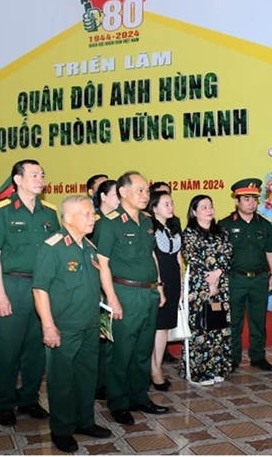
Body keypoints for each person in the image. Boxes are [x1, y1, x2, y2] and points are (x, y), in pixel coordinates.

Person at [0, 160, 60, 426]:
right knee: (7, 349)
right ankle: (4, 401)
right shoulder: (1, 211)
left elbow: (55, 254)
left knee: (36, 348)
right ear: (17, 179)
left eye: (42, 174)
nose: (40, 179)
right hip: (12, 285)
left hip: (42, 287)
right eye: (34, 175)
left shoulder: (49, 212)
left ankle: (29, 399)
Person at [32, 196, 112, 452]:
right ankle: (62, 428)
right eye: (86, 214)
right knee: (62, 380)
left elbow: (93, 289)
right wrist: (48, 326)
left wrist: (100, 323)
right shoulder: (52, 247)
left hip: (89, 324)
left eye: (92, 214)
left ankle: (84, 421)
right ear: (68, 219)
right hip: (64, 326)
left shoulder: (88, 247)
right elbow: (40, 290)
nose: (92, 218)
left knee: (87, 377)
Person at [92, 171, 169, 426]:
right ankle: (118, 402)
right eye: (139, 190)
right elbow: (102, 264)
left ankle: (139, 396)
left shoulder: (147, 221)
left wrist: (158, 286)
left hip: (148, 292)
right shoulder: (109, 223)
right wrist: (111, 299)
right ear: (123, 192)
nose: (145, 195)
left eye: (147, 190)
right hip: (123, 293)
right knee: (121, 351)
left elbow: (151, 256)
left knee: (142, 349)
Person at [218, 178, 272, 372]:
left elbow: (271, 251)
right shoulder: (224, 224)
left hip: (260, 279)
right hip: (235, 279)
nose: (251, 203)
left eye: (254, 199)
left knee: (258, 320)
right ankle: (233, 358)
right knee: (233, 321)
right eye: (246, 199)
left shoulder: (265, 225)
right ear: (237, 201)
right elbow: (219, 254)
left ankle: (258, 357)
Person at [180, 195, 233, 386]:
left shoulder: (222, 232)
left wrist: (218, 273)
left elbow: (228, 254)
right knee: (201, 326)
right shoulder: (189, 234)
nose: (209, 210)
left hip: (221, 285)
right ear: (194, 212)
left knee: (219, 326)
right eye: (203, 207)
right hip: (199, 286)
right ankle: (198, 373)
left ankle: (218, 369)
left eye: (211, 206)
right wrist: (210, 281)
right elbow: (193, 258)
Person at [146, 191, 182, 391]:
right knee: (156, 324)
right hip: (157, 279)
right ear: (154, 207)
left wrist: (181, 282)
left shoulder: (174, 226)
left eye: (172, 203)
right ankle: (152, 369)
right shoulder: (149, 227)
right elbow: (152, 257)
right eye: (166, 204)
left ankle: (156, 365)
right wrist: (159, 284)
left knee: (165, 326)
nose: (170, 207)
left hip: (173, 277)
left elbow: (178, 257)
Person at [91, 178, 119, 401]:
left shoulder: (118, 221)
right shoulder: (96, 221)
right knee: (102, 337)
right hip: (99, 287)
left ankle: (108, 381)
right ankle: (99, 383)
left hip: (113, 285)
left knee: (110, 338)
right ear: (103, 197)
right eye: (116, 194)